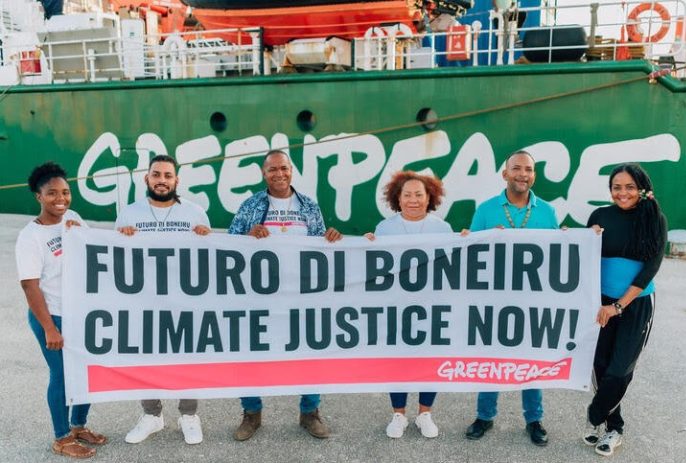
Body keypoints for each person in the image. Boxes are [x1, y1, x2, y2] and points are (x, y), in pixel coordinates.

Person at [228, 149, 342, 441]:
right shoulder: (251, 205)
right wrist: (247, 237)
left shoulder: (309, 205)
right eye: (272, 170)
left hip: (301, 294)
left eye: (283, 168)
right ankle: (251, 413)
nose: (279, 174)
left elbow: (319, 247)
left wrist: (331, 239)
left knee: (309, 352)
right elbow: (229, 244)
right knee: (250, 354)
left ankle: (310, 412)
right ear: (264, 173)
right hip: (258, 295)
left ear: (291, 170)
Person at [463, 150, 557, 446]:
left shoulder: (548, 212)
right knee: (491, 357)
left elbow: (558, 256)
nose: (522, 174)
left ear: (534, 175)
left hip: (533, 300)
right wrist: (473, 238)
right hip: (493, 300)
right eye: (516, 168)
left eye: (528, 169)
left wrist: (573, 239)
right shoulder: (486, 210)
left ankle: (534, 419)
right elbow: (470, 253)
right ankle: (484, 416)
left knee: (531, 359)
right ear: (505, 174)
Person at [116, 154, 211, 445]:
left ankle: (189, 415)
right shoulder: (129, 213)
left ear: (176, 180)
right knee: (146, 357)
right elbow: (113, 258)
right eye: (156, 174)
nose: (161, 180)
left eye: (168, 175)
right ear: (146, 178)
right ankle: (152, 415)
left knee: (186, 357)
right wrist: (121, 238)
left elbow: (209, 257)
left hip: (184, 301)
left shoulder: (195, 213)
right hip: (144, 301)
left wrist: (206, 237)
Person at [16, 162, 107, 458]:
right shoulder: (30, 237)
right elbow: (30, 286)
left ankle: (78, 425)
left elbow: (96, 250)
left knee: (86, 372)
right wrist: (49, 328)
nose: (61, 199)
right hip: (51, 314)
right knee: (63, 375)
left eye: (65, 192)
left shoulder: (73, 217)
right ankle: (61, 437)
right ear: (39, 196)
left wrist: (87, 235)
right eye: (52, 193)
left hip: (81, 312)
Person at [583, 163, 667, 457]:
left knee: (620, 370)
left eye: (630, 187)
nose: (622, 193)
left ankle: (596, 414)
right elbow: (579, 255)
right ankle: (613, 427)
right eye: (616, 187)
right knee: (600, 365)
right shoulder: (600, 216)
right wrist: (583, 237)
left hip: (636, 304)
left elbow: (650, 269)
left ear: (642, 189)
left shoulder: (655, 219)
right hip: (599, 304)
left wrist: (617, 306)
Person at [365, 171, 452, 439]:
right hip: (396, 307)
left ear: (429, 198)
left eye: (419, 195)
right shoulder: (384, 228)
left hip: (431, 307)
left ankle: (425, 413)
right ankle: (399, 414)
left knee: (429, 358)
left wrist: (465, 241)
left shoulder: (443, 228)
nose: (413, 200)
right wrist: (365, 245)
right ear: (398, 198)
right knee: (397, 360)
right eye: (407, 195)